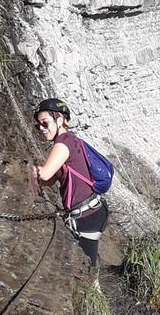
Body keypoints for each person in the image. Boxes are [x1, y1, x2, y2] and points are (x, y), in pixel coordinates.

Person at [30, 98, 109, 272]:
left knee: (86, 271)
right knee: (87, 266)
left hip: (86, 216)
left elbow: (44, 174)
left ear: (59, 120)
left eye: (45, 123)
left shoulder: (63, 143)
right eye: (38, 126)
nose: (41, 129)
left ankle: (93, 297)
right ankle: (93, 294)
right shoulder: (70, 140)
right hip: (91, 211)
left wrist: (23, 168)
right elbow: (49, 180)